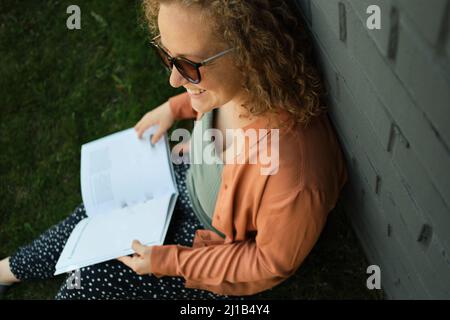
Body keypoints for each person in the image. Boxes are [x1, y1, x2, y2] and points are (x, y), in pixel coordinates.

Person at [0, 0, 347, 299]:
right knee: (95, 213)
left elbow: (270, 262)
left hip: (213, 249)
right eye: (167, 57)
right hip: (188, 184)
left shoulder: (295, 173)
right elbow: (215, 97)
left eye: (187, 66)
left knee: (88, 282)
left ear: (249, 52)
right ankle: (6, 272)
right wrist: (175, 108)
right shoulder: (238, 86)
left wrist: (167, 262)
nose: (174, 79)